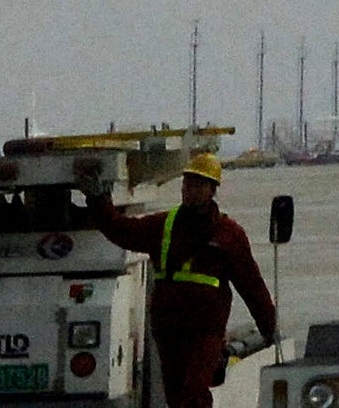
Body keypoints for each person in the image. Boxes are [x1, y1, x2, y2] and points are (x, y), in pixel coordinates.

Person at [90, 154, 278, 408]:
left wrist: (269, 328)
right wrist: (97, 198)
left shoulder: (229, 234)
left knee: (194, 392)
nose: (189, 189)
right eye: (187, 182)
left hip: (205, 332)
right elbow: (120, 230)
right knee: (176, 396)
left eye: (197, 183)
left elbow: (251, 285)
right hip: (169, 330)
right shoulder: (163, 225)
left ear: (212, 190)